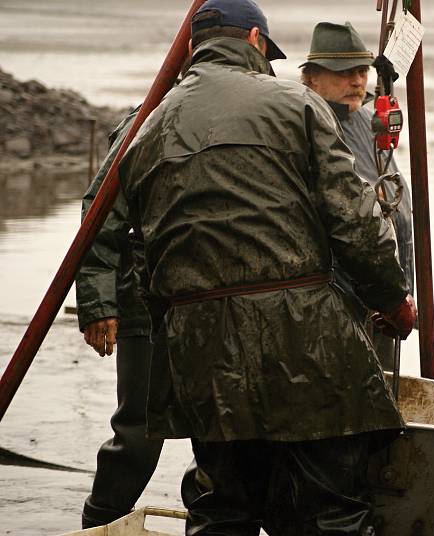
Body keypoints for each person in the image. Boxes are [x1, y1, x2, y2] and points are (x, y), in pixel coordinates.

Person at [119, 0, 416, 534]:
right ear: (256, 40)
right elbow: (352, 218)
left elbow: (143, 257)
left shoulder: (148, 129)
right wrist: (392, 299)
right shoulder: (294, 104)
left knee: (222, 511)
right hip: (304, 343)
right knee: (330, 512)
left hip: (201, 353)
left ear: (194, 48)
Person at [300, 21, 415, 369]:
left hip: (388, 293)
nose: (357, 81)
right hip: (336, 299)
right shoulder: (304, 125)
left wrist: (402, 290)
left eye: (362, 71)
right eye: (344, 72)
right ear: (312, 77)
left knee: (387, 386)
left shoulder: (368, 121)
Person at [75, 108, 167, 529]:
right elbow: (101, 218)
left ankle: (210, 520)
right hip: (146, 300)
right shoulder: (148, 119)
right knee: (139, 431)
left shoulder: (255, 110)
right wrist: (99, 305)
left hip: (214, 299)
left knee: (221, 436)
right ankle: (100, 523)